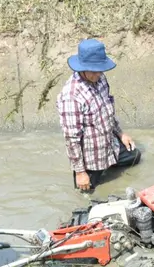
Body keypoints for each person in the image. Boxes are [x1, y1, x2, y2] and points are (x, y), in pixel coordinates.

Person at [56, 38, 142, 193]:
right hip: (91, 160)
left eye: (100, 69)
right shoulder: (71, 96)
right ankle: (86, 176)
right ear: (82, 68)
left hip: (110, 147)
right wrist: (81, 173)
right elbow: (71, 139)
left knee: (135, 156)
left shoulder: (100, 78)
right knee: (87, 195)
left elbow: (108, 111)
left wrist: (121, 134)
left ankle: (111, 165)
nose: (98, 74)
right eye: (94, 71)